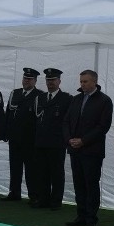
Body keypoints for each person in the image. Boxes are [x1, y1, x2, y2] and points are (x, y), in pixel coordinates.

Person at [62, 70, 113, 226]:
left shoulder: (104, 101)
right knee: (78, 184)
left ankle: (91, 217)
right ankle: (81, 215)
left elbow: (103, 126)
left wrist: (83, 141)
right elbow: (66, 121)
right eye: (81, 81)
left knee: (91, 184)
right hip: (75, 149)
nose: (82, 84)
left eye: (85, 81)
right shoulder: (76, 99)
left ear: (94, 82)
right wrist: (69, 139)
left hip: (92, 151)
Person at [32, 68, 72, 210]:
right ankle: (43, 199)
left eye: (53, 80)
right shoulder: (40, 98)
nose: (50, 83)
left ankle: (56, 201)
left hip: (57, 142)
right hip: (41, 141)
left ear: (59, 81)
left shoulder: (67, 99)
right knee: (42, 173)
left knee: (56, 174)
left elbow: (68, 121)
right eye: (48, 80)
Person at [3, 68, 42, 202]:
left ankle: (33, 195)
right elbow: (8, 113)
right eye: (25, 78)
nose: (26, 81)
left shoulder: (39, 95)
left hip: (30, 139)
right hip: (15, 137)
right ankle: (14, 193)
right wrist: (6, 133)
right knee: (15, 167)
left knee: (31, 169)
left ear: (35, 81)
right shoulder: (15, 93)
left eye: (30, 79)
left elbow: (39, 120)